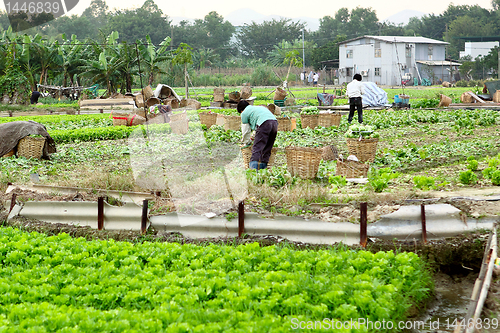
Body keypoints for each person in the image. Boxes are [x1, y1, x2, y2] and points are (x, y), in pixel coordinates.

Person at [238, 100, 278, 170]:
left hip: (265, 124)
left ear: (241, 110)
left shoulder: (244, 113)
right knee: (267, 148)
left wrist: (246, 142)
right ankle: (263, 170)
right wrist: (252, 138)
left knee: (257, 148)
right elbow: (258, 129)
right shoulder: (257, 109)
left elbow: (246, 131)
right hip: (274, 123)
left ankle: (253, 171)